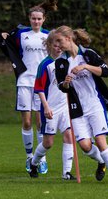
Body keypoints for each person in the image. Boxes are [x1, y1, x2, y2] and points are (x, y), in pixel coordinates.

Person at [53, 26, 108, 185]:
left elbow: (105, 71)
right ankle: (101, 161)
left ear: (69, 38)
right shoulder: (61, 63)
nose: (57, 45)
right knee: (85, 146)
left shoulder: (88, 54)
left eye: (60, 40)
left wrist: (85, 66)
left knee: (100, 141)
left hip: (95, 104)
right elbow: (61, 87)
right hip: (77, 109)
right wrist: (66, 84)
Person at [0, 0, 58, 174]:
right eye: (33, 19)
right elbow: (6, 42)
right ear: (29, 19)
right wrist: (3, 37)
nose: (36, 21)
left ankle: (41, 158)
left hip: (42, 84)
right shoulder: (22, 34)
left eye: (39, 19)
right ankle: (29, 157)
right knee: (27, 122)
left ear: (44, 19)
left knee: (40, 122)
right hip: (24, 81)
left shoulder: (49, 36)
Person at [29, 32, 75, 180]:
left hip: (65, 106)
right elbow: (39, 88)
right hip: (50, 107)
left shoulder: (67, 60)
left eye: (60, 45)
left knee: (68, 136)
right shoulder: (45, 65)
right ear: (49, 46)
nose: (58, 48)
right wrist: (46, 107)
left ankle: (66, 173)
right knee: (48, 143)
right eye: (55, 45)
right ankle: (34, 163)